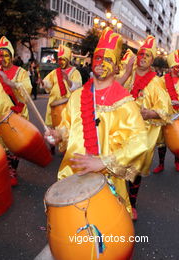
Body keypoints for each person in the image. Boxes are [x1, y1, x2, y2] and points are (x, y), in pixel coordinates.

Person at [44, 27, 148, 216]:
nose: (101, 63)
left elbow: (140, 142)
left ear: (117, 68)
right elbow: (67, 125)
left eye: (108, 59)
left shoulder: (125, 104)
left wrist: (103, 162)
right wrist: (58, 134)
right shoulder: (77, 96)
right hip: (71, 174)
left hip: (107, 182)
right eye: (98, 58)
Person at [122, 35, 174, 220]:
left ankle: (132, 204)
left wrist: (150, 114)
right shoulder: (128, 74)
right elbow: (112, 91)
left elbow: (165, 109)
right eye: (141, 54)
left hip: (142, 132)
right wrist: (127, 72)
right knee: (115, 166)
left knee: (134, 170)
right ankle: (114, 201)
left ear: (152, 60)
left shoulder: (156, 82)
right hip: (120, 128)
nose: (142, 58)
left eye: (147, 56)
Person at [0, 36, 32, 187]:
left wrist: (10, 83)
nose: (3, 58)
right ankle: (7, 169)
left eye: (6, 55)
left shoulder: (21, 73)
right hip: (0, 116)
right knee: (2, 145)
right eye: (0, 55)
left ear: (11, 56)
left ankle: (12, 170)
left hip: (17, 115)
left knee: (14, 145)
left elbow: (26, 91)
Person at [42, 45, 82, 127]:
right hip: (54, 102)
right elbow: (48, 83)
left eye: (63, 59)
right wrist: (43, 83)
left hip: (67, 104)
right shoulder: (55, 72)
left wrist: (68, 80)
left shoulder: (75, 72)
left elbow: (78, 88)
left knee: (66, 127)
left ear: (68, 60)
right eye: (59, 60)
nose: (61, 62)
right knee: (54, 127)